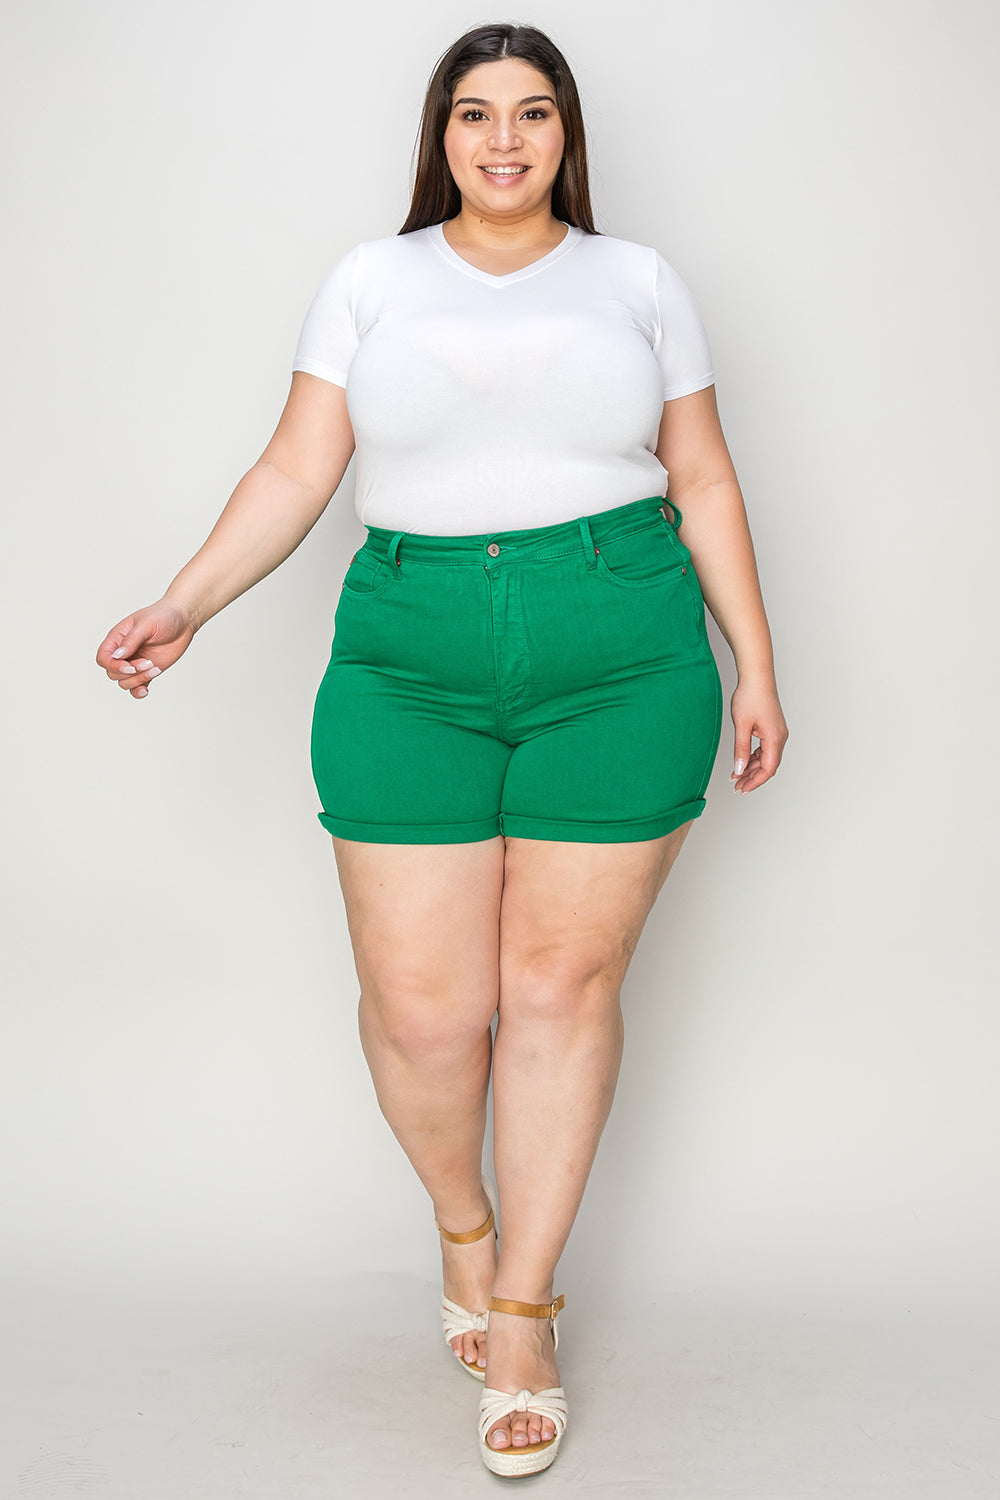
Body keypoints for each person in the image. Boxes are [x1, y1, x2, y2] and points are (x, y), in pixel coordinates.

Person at [95, 21, 788, 1478]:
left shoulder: (639, 281)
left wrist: (756, 667)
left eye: (533, 114)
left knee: (555, 985)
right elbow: (298, 466)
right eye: (476, 115)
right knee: (424, 1015)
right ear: (442, 136)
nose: (505, 142)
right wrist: (187, 601)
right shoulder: (371, 280)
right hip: (406, 653)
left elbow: (706, 475)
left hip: (621, 644)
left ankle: (525, 1307)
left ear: (565, 135)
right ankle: (462, 1228)